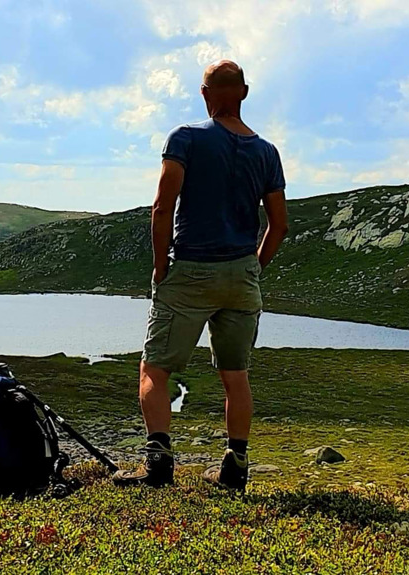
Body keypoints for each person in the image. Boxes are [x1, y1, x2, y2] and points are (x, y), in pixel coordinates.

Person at [113, 60, 289, 490]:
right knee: (236, 375)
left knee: (154, 369)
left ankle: (158, 464)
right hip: (241, 274)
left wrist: (160, 265)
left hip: (190, 270)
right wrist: (253, 268)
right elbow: (279, 224)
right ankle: (235, 468)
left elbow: (162, 207)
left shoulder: (185, 139)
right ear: (244, 93)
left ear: (205, 93)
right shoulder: (266, 152)